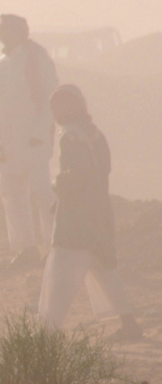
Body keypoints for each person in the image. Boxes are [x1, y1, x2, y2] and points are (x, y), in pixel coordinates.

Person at [38, 85, 142, 340]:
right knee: (102, 267)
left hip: (76, 218)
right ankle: (129, 323)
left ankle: (47, 332)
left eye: (61, 105)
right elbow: (102, 170)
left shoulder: (70, 136)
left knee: (61, 271)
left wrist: (57, 185)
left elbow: (77, 176)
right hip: (98, 211)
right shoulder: (94, 134)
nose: (56, 111)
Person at [0, 14, 59, 271]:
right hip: (8, 144)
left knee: (41, 191)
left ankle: (56, 249)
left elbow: (52, 95)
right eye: (0, 30)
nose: (3, 34)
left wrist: (40, 132)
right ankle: (24, 248)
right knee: (12, 195)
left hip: (34, 140)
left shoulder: (36, 57)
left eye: (8, 29)